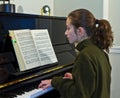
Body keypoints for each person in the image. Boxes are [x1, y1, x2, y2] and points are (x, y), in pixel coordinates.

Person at [38, 8, 113, 98]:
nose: (65, 33)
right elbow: (92, 83)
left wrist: (55, 82)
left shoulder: (85, 55)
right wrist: (76, 79)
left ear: (80, 31)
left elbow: (79, 94)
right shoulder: (100, 52)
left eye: (68, 28)